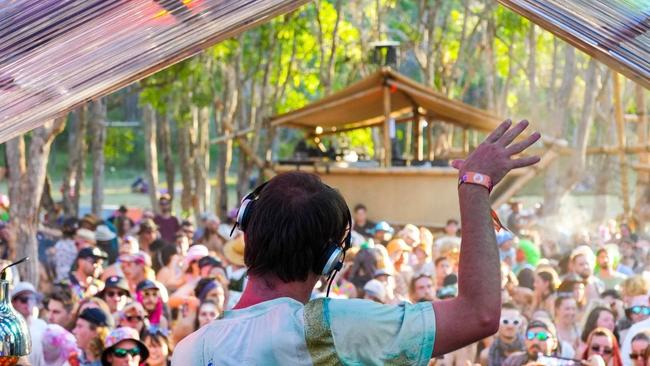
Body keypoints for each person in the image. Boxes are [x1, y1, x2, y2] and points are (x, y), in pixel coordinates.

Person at [172, 120, 540, 364]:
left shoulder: (190, 351)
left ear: (246, 229)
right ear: (330, 259)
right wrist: (475, 185)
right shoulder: (330, 328)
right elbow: (479, 315)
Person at [12, 281, 47, 366]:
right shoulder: (7, 328)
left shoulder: (42, 326)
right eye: (24, 300)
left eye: (32, 299)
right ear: (13, 302)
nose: (28, 303)